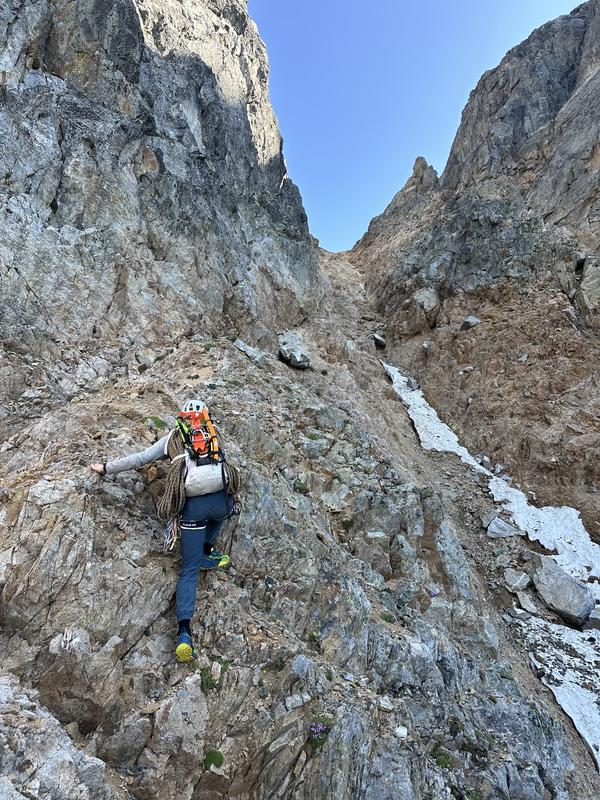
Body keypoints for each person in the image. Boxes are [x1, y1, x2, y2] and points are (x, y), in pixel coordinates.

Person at [91, 399, 235, 663]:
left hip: (192, 508)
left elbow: (141, 459)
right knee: (227, 507)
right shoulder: (213, 434)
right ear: (204, 417)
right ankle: (207, 549)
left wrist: (106, 467)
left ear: (180, 418)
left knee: (189, 570)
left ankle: (184, 634)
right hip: (220, 504)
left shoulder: (172, 439)